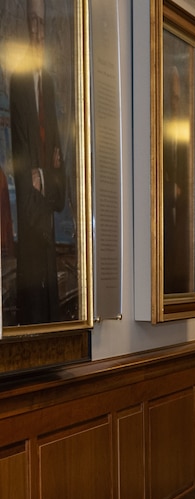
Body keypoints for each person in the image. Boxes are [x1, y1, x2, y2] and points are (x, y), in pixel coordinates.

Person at [9, 0, 67, 326]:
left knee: (52, 315)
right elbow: (23, 168)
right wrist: (49, 174)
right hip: (31, 225)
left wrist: (44, 175)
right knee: (32, 308)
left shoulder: (49, 84)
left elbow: (59, 175)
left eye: (42, 24)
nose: (36, 31)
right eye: (32, 22)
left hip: (46, 217)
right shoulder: (18, 81)